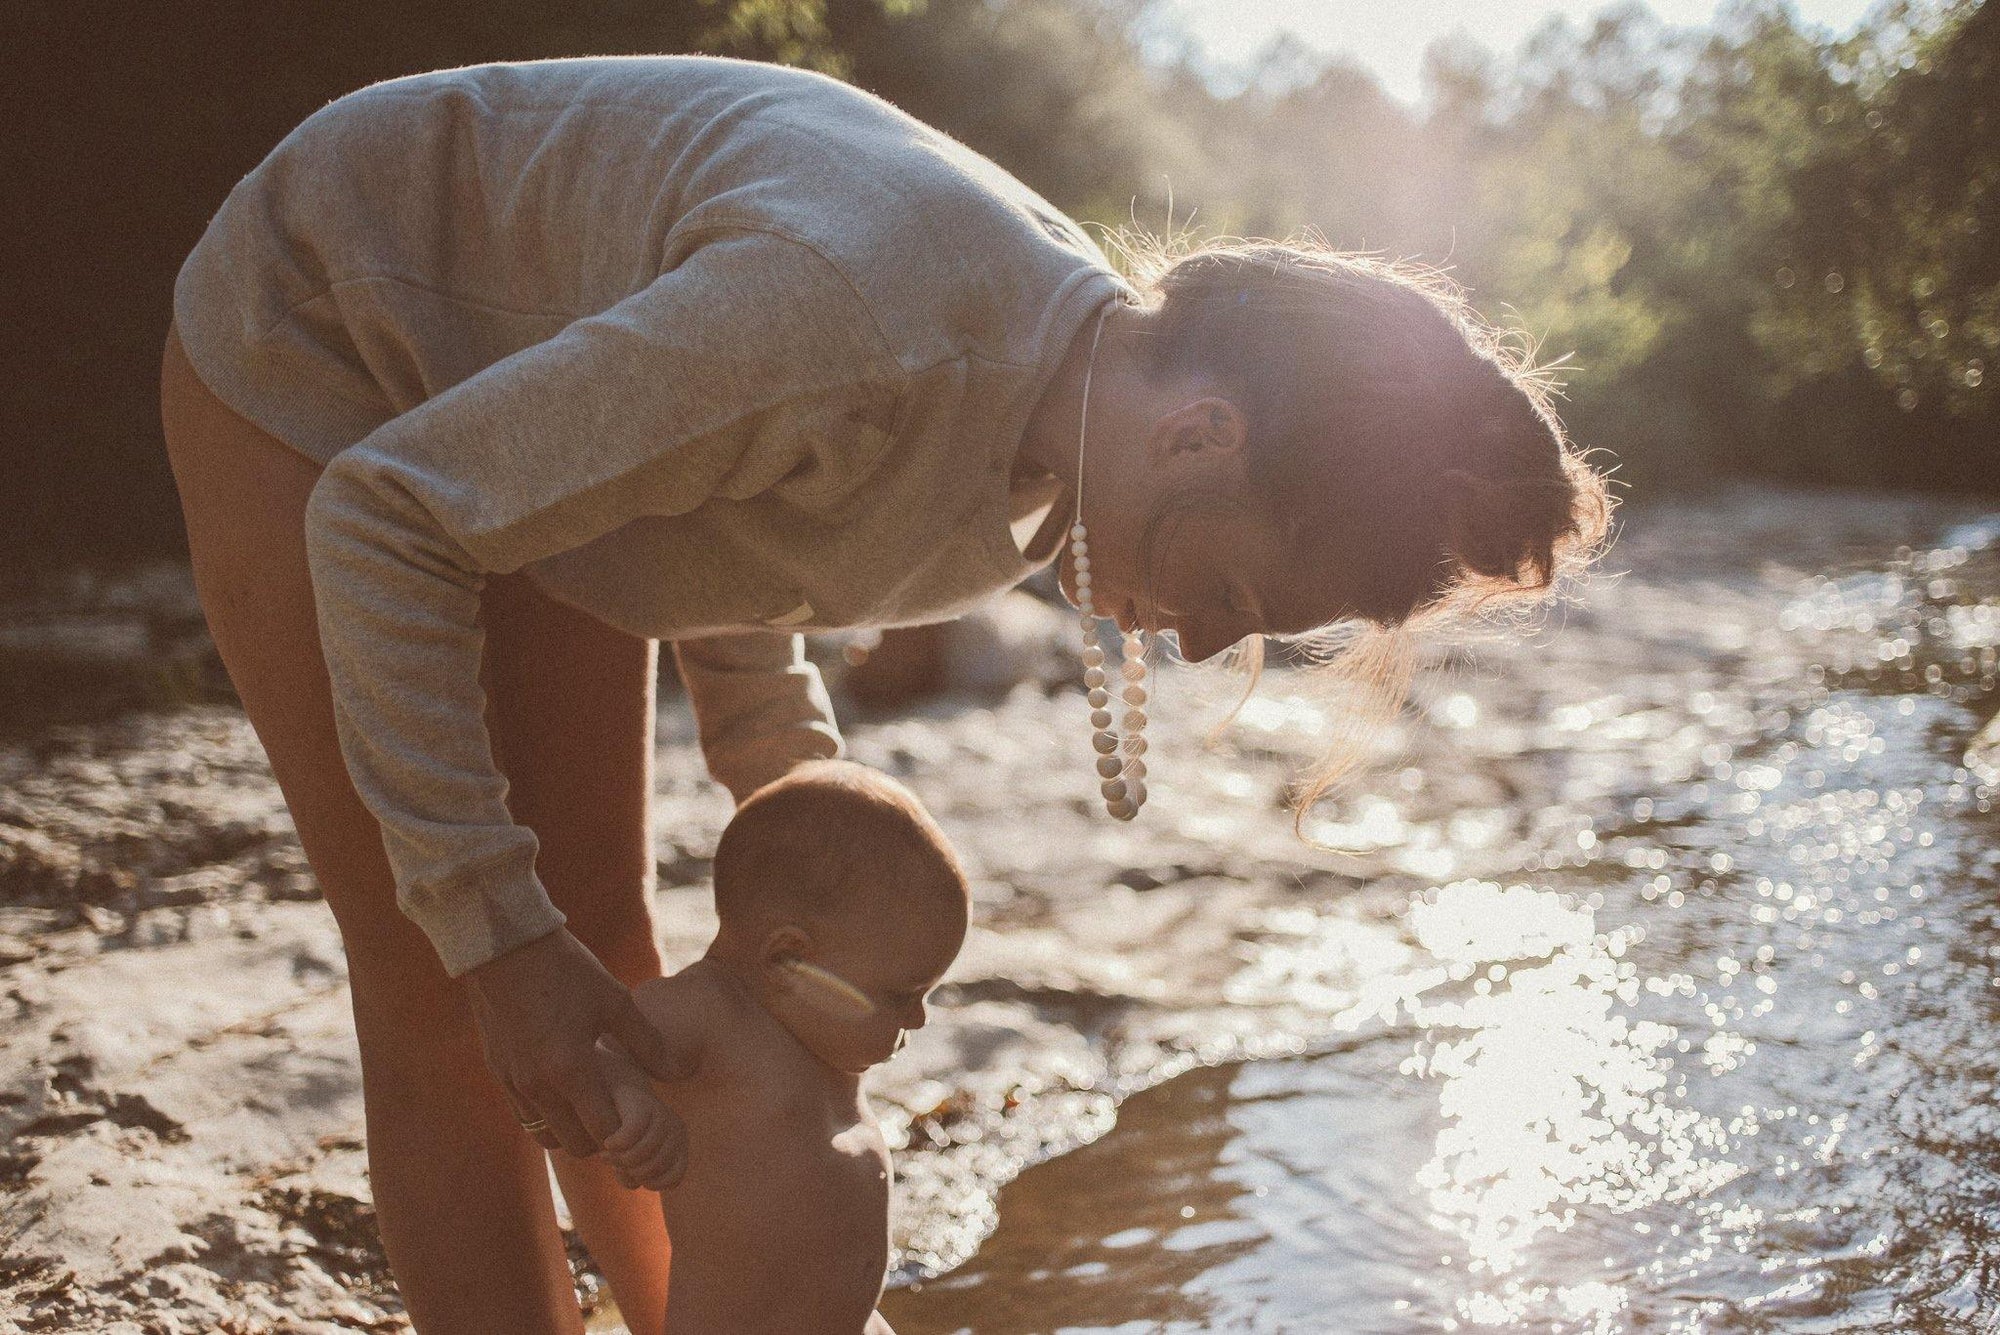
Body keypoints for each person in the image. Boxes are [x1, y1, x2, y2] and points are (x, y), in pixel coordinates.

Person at [159, 52, 1608, 1334]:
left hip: (515, 437)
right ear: (1203, 433)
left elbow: (710, 510)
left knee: (597, 921)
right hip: (327, 334)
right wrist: (496, 938)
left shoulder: (1043, 441)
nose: (1201, 648)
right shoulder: (866, 314)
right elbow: (388, 515)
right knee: (448, 980)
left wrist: (794, 788)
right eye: (1231, 596)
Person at [589, 758, 964, 1335]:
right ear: (789, 959)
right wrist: (629, 1102)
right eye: (902, 993)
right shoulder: (710, 1011)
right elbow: (598, 1040)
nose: (918, 1018)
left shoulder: (819, 1040)